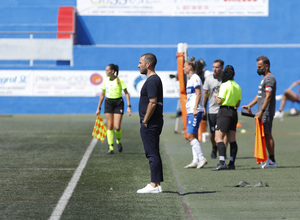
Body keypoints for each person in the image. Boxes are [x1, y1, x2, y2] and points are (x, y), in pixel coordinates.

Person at [242, 56, 277, 169]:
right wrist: (249, 105)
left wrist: (262, 111)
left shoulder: (269, 79)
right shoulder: (264, 78)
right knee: (264, 135)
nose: (258, 69)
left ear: (266, 66)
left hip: (266, 112)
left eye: (260, 67)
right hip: (262, 112)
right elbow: (260, 95)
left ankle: (272, 160)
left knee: (267, 135)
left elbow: (268, 96)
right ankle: (267, 159)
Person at [137, 53, 164, 193]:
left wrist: (145, 120)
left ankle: (154, 184)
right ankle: (157, 183)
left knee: (151, 153)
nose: (138, 65)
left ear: (148, 64)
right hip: (153, 122)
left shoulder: (152, 80)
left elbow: (153, 103)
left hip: (151, 122)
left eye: (140, 62)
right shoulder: (153, 79)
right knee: (153, 152)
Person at [96, 64, 132, 154]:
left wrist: (129, 106)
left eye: (107, 70)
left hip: (118, 103)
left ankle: (118, 142)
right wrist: (98, 107)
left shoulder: (120, 81)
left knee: (117, 126)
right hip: (108, 103)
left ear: (112, 71)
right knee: (110, 126)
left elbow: (127, 93)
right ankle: (111, 147)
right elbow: (102, 95)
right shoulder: (105, 81)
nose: (106, 72)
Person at [212, 65, 241, 171]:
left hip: (224, 112)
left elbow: (219, 101)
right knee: (232, 139)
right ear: (233, 74)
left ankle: (222, 162)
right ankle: (232, 163)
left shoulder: (224, 85)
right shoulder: (237, 86)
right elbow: (238, 104)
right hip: (234, 112)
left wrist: (216, 96)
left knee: (218, 138)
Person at [182, 57, 208, 169]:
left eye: (185, 66)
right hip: (191, 111)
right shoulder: (190, 79)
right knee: (194, 136)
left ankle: (202, 158)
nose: (183, 68)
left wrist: (196, 108)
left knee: (189, 136)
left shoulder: (195, 78)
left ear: (190, 67)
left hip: (194, 111)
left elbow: (198, 94)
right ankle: (195, 160)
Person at [203, 59, 228, 159]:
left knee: (223, 131)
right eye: (213, 67)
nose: (214, 69)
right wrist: (203, 107)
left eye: (217, 67)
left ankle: (223, 151)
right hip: (212, 110)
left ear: (221, 68)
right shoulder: (209, 79)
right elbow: (205, 94)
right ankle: (214, 147)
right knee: (213, 132)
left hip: (223, 109)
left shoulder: (226, 79)